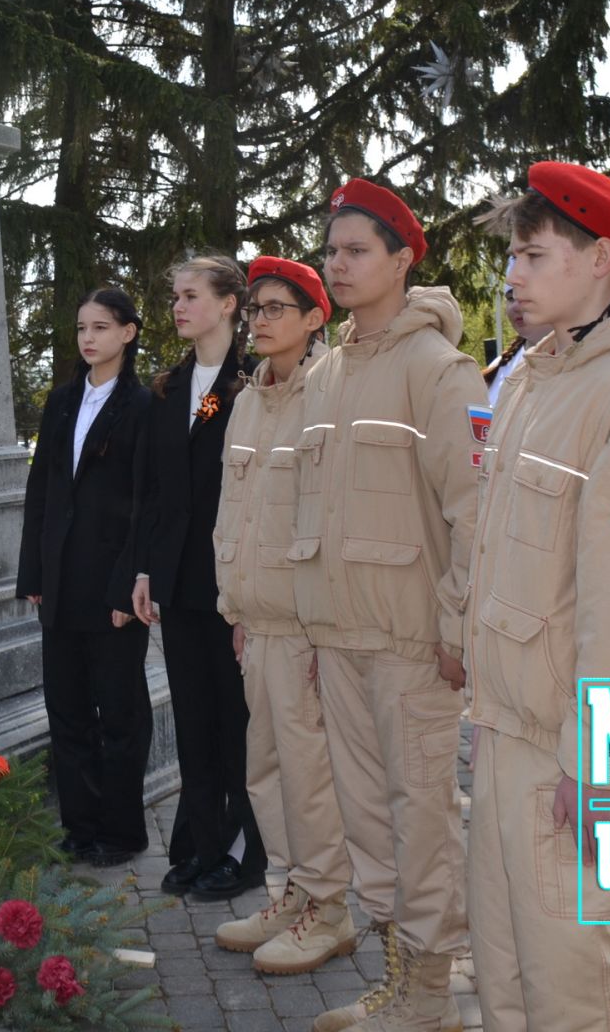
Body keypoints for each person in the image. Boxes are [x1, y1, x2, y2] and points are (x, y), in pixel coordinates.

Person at [464, 162, 610, 1032]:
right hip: (508, 725)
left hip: (570, 746)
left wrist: (597, 762)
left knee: (575, 985)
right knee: (507, 971)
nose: (512, 277)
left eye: (531, 256)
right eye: (510, 259)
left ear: (598, 259)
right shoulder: (528, 380)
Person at [293, 179, 478, 1032]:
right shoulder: (324, 374)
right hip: (337, 635)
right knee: (367, 820)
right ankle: (399, 980)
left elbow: (471, 510)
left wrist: (456, 625)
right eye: (331, 251)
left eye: (356, 250)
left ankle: (433, 994)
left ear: (403, 260)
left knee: (423, 820)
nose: (338, 264)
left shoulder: (439, 370)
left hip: (410, 645)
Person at [210, 257, 360, 975]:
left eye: (276, 308)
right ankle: (294, 892)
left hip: (305, 624)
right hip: (256, 618)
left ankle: (330, 909)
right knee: (264, 770)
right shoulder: (245, 400)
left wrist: (320, 623)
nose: (260, 320)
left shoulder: (331, 395)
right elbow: (232, 512)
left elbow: (337, 517)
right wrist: (235, 604)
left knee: (308, 773)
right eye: (255, 309)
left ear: (314, 318)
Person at [130, 254, 264, 899]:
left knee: (238, 722)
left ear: (229, 303)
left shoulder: (257, 380)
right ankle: (202, 846)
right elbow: (152, 493)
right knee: (192, 718)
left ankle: (248, 856)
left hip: (236, 582)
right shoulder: (168, 388)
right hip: (180, 581)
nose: (179, 306)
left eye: (191, 295)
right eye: (175, 295)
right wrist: (145, 570)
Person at [17, 288, 154, 868]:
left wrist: (127, 588)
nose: (89, 337)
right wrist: (34, 573)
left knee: (120, 713)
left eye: (101, 326)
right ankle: (79, 826)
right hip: (61, 582)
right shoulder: (62, 401)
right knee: (67, 710)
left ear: (128, 333)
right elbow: (42, 491)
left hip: (112, 588)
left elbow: (147, 503)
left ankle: (122, 832)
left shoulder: (145, 406)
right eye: (81, 328)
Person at [484, 265, 548, 407]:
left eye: (525, 295)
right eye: (510, 298)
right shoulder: (500, 365)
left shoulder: (579, 364)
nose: (515, 306)